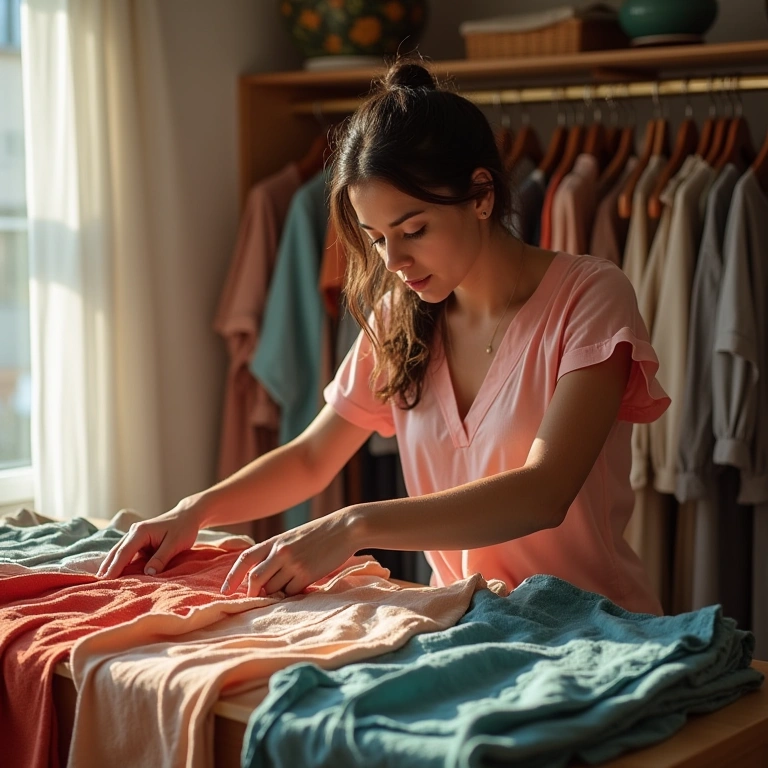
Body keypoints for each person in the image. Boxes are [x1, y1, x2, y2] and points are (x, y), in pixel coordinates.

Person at [98, 59, 670, 615]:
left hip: (597, 631)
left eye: (413, 229)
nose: (394, 260)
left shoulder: (589, 296)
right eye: (375, 239)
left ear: (481, 195)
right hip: (469, 628)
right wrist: (193, 511)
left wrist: (355, 524)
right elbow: (312, 458)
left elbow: (545, 492)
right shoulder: (403, 314)